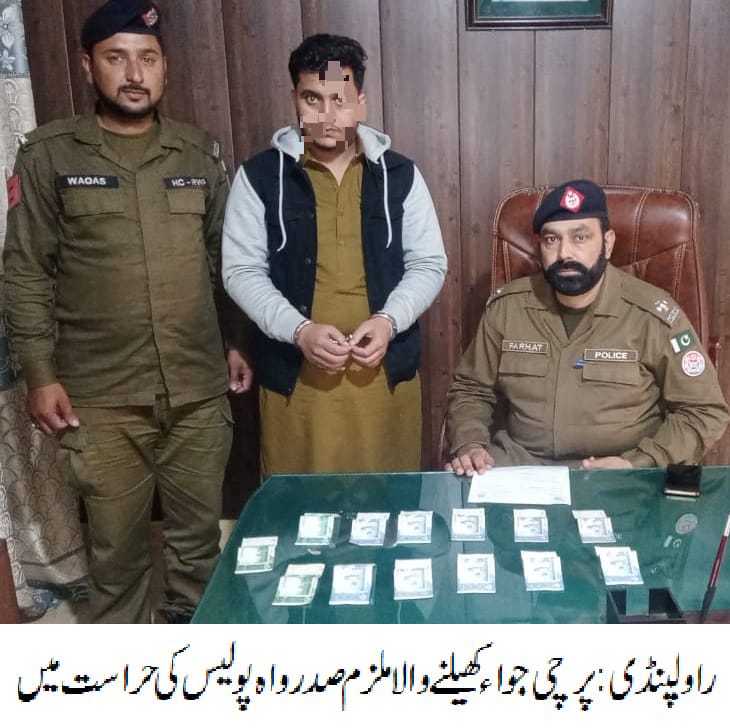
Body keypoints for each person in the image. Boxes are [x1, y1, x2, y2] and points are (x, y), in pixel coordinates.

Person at [2, 0, 252, 623]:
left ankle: (197, 657)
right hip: (101, 395)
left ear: (165, 68)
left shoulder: (197, 155)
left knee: (198, 547)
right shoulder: (50, 156)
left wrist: (234, 341)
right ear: (89, 67)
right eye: (117, 58)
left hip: (197, 388)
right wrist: (39, 374)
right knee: (116, 557)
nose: (135, 74)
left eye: (148, 59)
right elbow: (26, 271)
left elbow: (224, 262)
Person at [222, 34, 447, 478]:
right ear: (294, 98)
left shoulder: (400, 174)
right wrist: (299, 330)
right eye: (313, 99)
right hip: (297, 383)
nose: (327, 116)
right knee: (301, 510)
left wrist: (388, 321)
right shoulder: (260, 176)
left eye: (339, 100)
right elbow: (241, 271)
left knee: (389, 507)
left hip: (382, 380)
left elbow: (428, 264)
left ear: (360, 103)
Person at [446, 178, 729, 476]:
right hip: (520, 468)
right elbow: (471, 389)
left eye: (580, 237)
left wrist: (641, 461)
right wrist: (470, 444)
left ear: (607, 243)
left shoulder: (652, 315)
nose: (564, 253)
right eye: (552, 240)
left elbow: (704, 410)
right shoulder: (508, 308)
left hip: (618, 473)